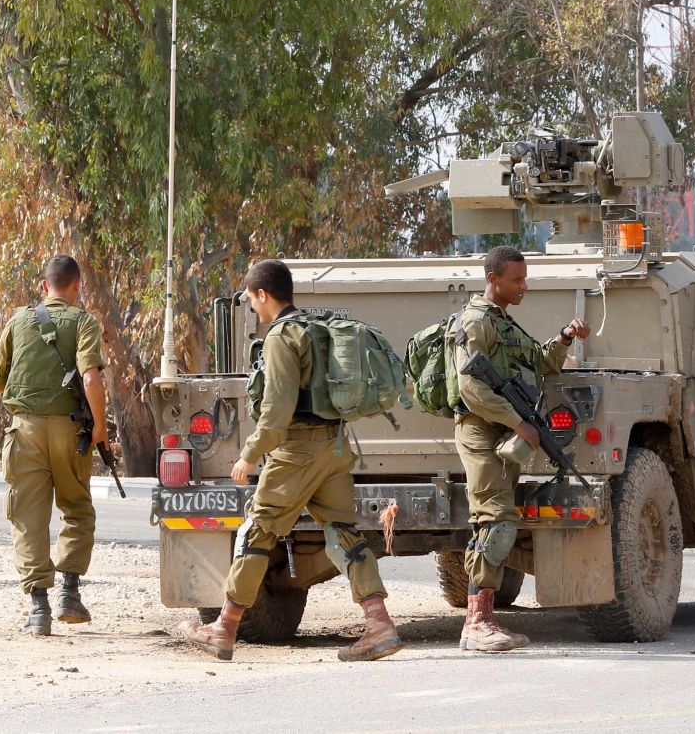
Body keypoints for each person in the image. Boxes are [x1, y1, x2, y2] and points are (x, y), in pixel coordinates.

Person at [178, 259, 402, 662]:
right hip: (333, 448)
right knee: (343, 534)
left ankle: (224, 628)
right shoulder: (315, 329)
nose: (252, 307)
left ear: (262, 294)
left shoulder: (281, 337)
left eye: (250, 299)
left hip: (296, 452)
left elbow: (277, 410)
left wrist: (249, 455)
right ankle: (379, 625)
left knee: (257, 531)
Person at [451, 245, 590, 652]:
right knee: (494, 520)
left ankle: (485, 618)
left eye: (525, 278)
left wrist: (565, 337)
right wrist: (520, 424)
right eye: (516, 279)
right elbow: (469, 388)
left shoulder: (505, 323)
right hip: (481, 431)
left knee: (498, 518)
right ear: (493, 279)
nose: (523, 286)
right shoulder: (476, 322)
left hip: (504, 433)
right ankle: (475, 623)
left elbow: (544, 363)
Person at [0, 255, 106, 636]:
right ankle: (69, 595)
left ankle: (39, 610)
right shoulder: (84, 321)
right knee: (76, 509)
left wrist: (28, 408)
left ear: (44, 286)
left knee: (28, 519)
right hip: (70, 433)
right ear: (76, 287)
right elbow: (90, 378)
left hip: (24, 433)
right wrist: (100, 428)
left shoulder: (18, 320)